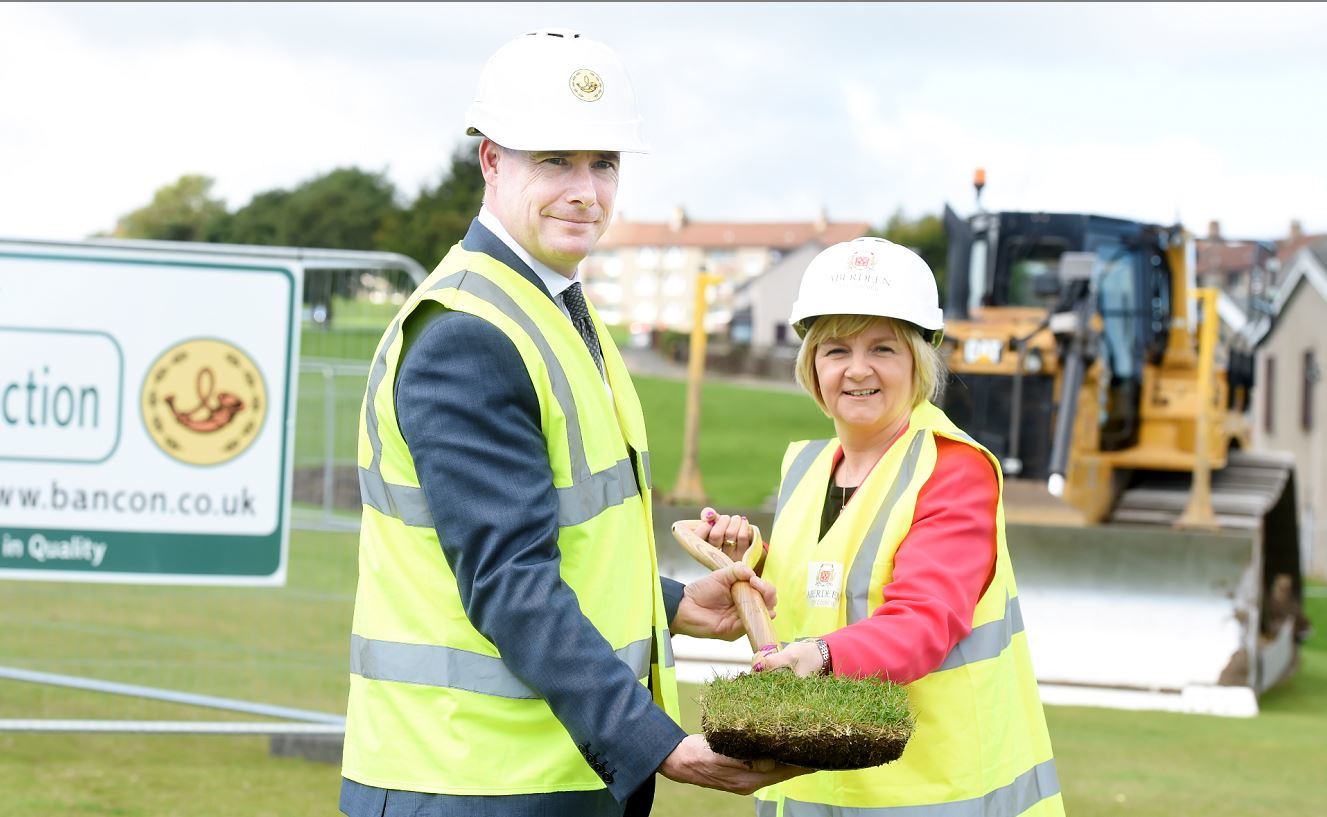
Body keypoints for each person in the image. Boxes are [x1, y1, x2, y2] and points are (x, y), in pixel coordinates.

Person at [339, 28, 801, 817]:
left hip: (534, 775)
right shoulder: (468, 334)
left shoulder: (550, 306)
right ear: (490, 160)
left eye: (604, 163)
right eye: (555, 160)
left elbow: (566, 545)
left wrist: (673, 605)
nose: (585, 190)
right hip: (470, 778)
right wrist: (655, 741)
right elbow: (507, 580)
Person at [694, 237, 1065, 816]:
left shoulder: (953, 469)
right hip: (810, 794)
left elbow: (923, 619)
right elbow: (824, 591)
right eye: (836, 349)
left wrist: (819, 654)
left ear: (919, 360)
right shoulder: (806, 468)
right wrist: (752, 562)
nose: (858, 369)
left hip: (934, 796)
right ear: (811, 364)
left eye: (883, 348)